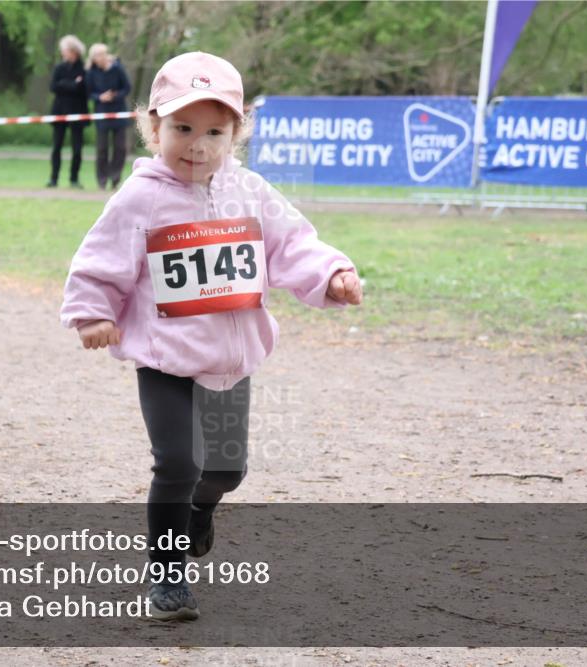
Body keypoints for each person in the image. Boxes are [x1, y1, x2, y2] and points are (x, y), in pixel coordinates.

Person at [60, 52, 363, 621]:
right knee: (177, 463)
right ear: (154, 128)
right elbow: (100, 261)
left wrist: (332, 274)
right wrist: (93, 314)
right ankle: (167, 578)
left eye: (213, 132)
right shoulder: (140, 198)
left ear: (236, 133)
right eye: (181, 129)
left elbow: (292, 244)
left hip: (231, 360)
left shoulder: (250, 191)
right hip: (166, 360)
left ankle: (199, 512)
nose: (196, 144)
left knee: (224, 472)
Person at [86, 43, 131, 190]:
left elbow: (127, 87)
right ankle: (102, 179)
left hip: (118, 112)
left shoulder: (117, 68)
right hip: (102, 114)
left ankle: (115, 177)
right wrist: (100, 97)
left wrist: (115, 95)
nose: (99, 59)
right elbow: (89, 92)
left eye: (101, 55)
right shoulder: (92, 72)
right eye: (96, 57)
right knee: (102, 149)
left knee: (120, 148)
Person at [47, 34, 88, 189]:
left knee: (77, 148)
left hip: (78, 112)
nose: (63, 53)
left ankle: (74, 178)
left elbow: (83, 89)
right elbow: (53, 87)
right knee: (57, 146)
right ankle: (53, 178)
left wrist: (65, 85)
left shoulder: (83, 68)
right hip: (59, 111)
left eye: (65, 50)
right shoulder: (59, 68)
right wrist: (71, 84)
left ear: (73, 51)